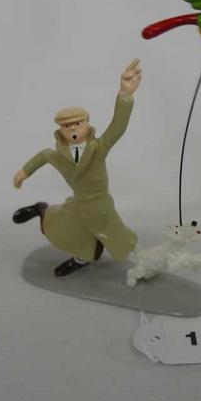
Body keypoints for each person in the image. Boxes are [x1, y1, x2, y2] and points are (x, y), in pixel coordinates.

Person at [12, 58, 143, 276]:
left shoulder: (98, 148)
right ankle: (40, 210)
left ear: (87, 125)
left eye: (78, 123)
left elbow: (117, 128)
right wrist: (24, 172)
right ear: (60, 131)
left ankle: (137, 260)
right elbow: (44, 156)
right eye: (67, 125)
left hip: (100, 204)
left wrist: (125, 94)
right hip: (79, 205)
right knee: (63, 228)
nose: (73, 128)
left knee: (115, 232)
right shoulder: (57, 155)